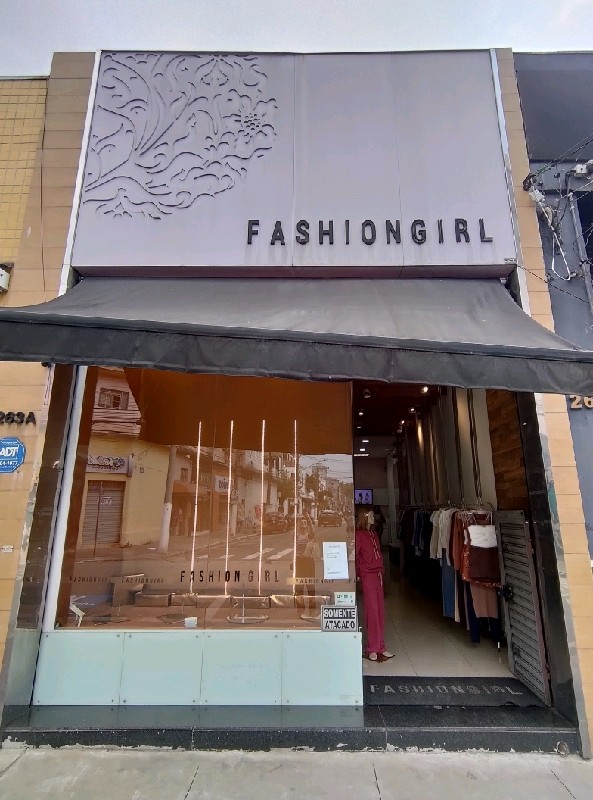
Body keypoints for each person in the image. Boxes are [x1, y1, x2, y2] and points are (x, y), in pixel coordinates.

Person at [355, 508, 394, 662]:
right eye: (370, 515)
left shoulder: (374, 534)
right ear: (364, 517)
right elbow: (355, 556)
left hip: (378, 574)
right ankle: (372, 647)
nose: (373, 517)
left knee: (379, 611)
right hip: (368, 575)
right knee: (371, 611)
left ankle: (380, 646)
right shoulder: (359, 535)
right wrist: (359, 573)